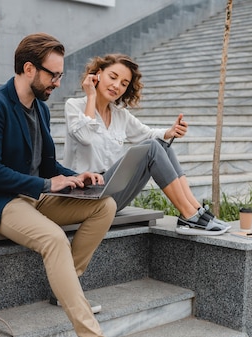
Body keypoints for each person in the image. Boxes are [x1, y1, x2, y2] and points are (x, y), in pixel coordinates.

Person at [0, 34, 148, 337]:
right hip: (0, 201)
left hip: (35, 195)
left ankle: (66, 288)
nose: (58, 83)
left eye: (61, 76)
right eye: (53, 75)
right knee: (54, 239)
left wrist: (77, 176)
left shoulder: (41, 109)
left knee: (104, 205)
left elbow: (48, 165)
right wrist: (47, 185)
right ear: (29, 68)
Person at [63, 53, 230, 234]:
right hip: (84, 197)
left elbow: (148, 134)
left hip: (111, 193)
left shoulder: (120, 115)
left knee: (162, 145)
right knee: (151, 147)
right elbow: (85, 136)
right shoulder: (74, 106)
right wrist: (91, 96)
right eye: (113, 77)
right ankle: (189, 215)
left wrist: (170, 132)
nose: (117, 86)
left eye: (124, 84)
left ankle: (195, 210)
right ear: (98, 74)